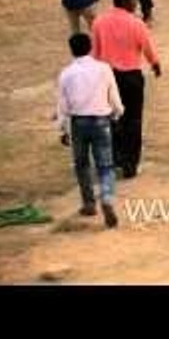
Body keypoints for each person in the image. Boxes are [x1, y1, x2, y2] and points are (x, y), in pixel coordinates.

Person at [91, 0, 161, 179]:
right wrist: (155, 64)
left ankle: (115, 159)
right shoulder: (136, 23)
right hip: (131, 78)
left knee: (112, 119)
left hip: (107, 77)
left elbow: (95, 53)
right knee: (133, 120)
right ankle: (131, 163)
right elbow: (147, 48)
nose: (136, 3)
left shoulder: (99, 22)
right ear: (124, 1)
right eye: (134, 0)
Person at [56, 33, 124, 228]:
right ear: (90, 47)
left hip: (78, 123)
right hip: (102, 121)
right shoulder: (103, 69)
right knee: (105, 165)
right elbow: (114, 95)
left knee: (82, 164)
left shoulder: (66, 74)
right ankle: (107, 198)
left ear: (72, 50)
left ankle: (88, 203)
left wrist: (62, 129)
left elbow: (62, 105)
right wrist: (117, 113)